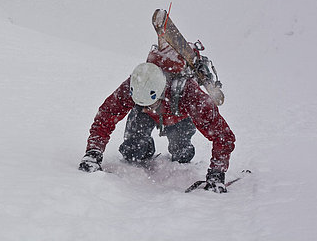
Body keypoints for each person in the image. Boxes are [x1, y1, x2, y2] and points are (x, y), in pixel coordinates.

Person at [78, 44, 235, 193]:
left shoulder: (190, 94)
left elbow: (223, 136)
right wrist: (94, 152)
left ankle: (180, 150)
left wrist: (216, 173)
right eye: (141, 104)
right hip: (145, 117)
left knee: (181, 155)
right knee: (132, 151)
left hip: (179, 117)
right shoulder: (135, 84)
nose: (146, 108)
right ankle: (145, 147)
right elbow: (106, 115)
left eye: (150, 104)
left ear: (161, 93)